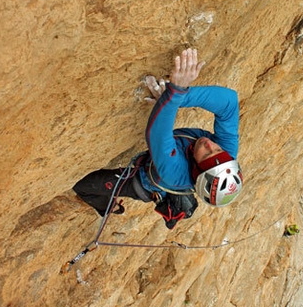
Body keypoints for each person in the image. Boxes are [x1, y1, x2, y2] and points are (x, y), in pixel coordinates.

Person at [73, 48, 243, 229]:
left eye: (205, 154)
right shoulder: (226, 157)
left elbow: (158, 135)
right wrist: (181, 98)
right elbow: (229, 102)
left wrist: (175, 92)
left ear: (195, 170)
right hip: (165, 166)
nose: (209, 144)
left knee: (83, 186)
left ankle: (108, 207)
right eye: (217, 149)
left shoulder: (174, 174)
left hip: (141, 181)